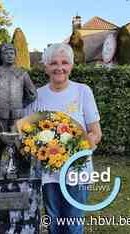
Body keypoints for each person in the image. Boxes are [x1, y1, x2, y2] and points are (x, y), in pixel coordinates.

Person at [27, 43, 102, 234]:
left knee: (73, 223)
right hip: (48, 173)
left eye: (64, 62)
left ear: (71, 66)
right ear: (46, 67)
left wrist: (75, 151)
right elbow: (28, 133)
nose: (59, 67)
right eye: (53, 63)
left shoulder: (83, 91)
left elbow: (96, 133)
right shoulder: (37, 95)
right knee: (53, 221)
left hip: (77, 171)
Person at [0, 43, 37, 174]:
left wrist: (21, 104)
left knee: (17, 142)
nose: (9, 55)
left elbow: (32, 94)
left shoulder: (22, 73)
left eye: (11, 53)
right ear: (0, 56)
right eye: (6, 53)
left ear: (15, 55)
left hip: (17, 114)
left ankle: (17, 165)